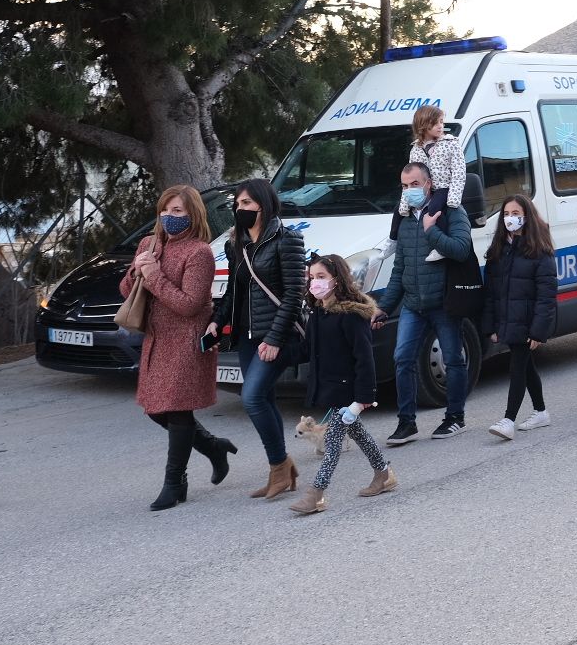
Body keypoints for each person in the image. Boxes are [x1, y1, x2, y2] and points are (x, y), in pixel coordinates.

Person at [122, 185, 234, 511]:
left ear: (193, 215)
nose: (169, 217)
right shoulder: (149, 243)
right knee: (155, 409)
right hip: (156, 338)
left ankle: (174, 482)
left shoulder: (199, 253)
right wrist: (135, 270)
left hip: (186, 339)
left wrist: (154, 275)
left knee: (178, 408)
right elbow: (128, 290)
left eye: (178, 212)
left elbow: (189, 304)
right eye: (166, 210)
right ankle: (213, 447)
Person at [210, 178, 306, 499]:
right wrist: (215, 323)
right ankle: (281, 470)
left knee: (251, 398)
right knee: (264, 399)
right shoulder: (236, 243)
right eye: (238, 204)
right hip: (248, 337)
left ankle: (280, 465)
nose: (241, 209)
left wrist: (276, 338)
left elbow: (294, 295)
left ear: (263, 205)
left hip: (275, 335)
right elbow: (232, 295)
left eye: (247, 204)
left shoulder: (286, 240)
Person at [372, 163, 473, 444]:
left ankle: (455, 417)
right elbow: (399, 269)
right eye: (404, 186)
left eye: (414, 184)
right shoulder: (404, 220)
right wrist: (384, 308)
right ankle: (407, 423)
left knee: (453, 359)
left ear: (429, 184)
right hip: (412, 304)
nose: (408, 191)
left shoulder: (451, 212)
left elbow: (462, 250)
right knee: (402, 359)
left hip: (444, 303)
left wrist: (431, 231)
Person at [291, 254, 396, 515]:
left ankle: (316, 494)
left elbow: (364, 358)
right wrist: (275, 353)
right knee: (358, 433)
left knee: (332, 444)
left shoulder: (351, 315)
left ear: (337, 280)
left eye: (321, 277)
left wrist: (361, 401)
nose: (315, 283)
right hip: (333, 390)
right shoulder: (318, 313)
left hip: (350, 392)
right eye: (312, 277)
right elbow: (307, 350)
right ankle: (383, 474)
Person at [483, 196, 557, 440]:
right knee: (526, 367)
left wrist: (538, 331)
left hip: (527, 322)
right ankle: (541, 411)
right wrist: (492, 325)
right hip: (508, 319)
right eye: (505, 213)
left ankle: (509, 419)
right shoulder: (498, 250)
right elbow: (491, 293)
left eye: (515, 213)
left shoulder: (540, 252)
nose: (510, 218)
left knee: (517, 366)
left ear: (526, 216)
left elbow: (546, 296)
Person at [389, 104, 467, 245]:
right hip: (424, 189)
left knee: (433, 208)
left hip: (443, 188)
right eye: (435, 123)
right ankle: (392, 241)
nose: (440, 126)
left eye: (441, 122)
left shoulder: (451, 143)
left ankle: (440, 244)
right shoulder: (416, 149)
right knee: (397, 210)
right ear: (423, 125)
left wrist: (453, 199)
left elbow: (459, 173)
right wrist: (404, 204)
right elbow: (410, 176)